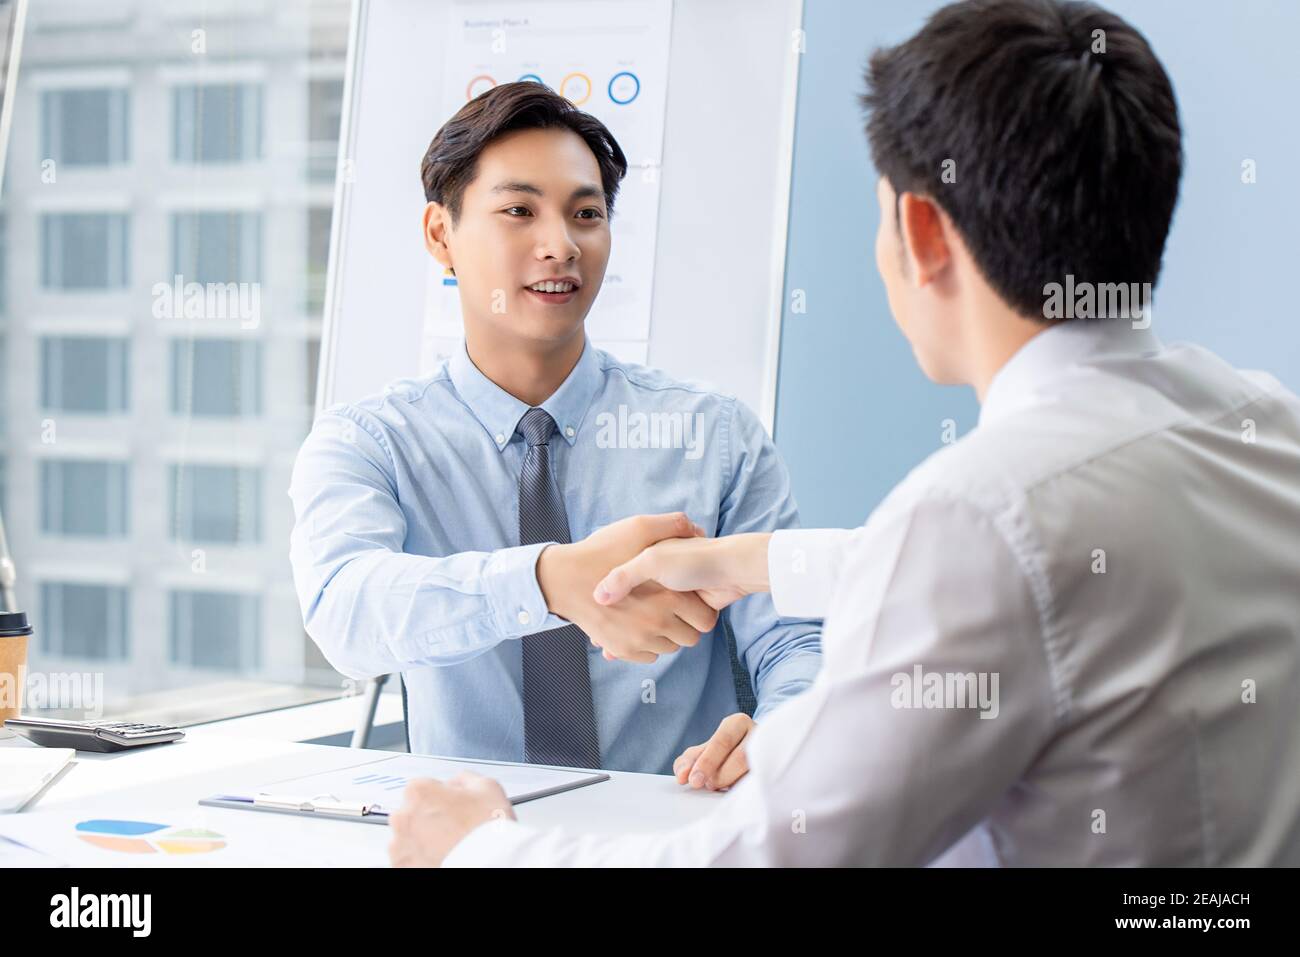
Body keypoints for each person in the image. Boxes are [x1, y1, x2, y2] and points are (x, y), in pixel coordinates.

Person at [387, 0, 1300, 867]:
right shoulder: (1259, 424)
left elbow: (777, 860)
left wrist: (479, 848)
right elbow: (1055, 561)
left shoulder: (980, 511)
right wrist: (753, 563)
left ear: (921, 230)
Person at [288, 82, 822, 785]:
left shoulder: (711, 436)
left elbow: (797, 640)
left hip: (675, 839)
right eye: (519, 210)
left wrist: (782, 732)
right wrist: (545, 582)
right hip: (477, 845)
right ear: (441, 236)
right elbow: (344, 611)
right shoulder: (369, 443)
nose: (560, 244)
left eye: (586, 214)